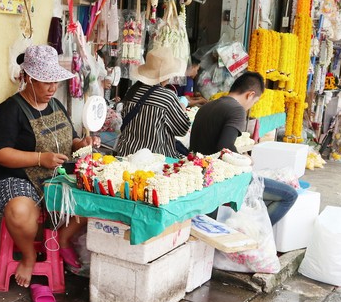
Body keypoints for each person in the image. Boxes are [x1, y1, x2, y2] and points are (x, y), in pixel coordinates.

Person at [0, 45, 97, 289]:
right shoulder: (9, 110)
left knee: (100, 197)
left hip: (54, 177)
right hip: (15, 178)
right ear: (27, 78)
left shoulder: (57, 107)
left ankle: (63, 239)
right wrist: (40, 159)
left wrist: (83, 143)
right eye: (45, 81)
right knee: (19, 211)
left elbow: (71, 140)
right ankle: (28, 255)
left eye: (54, 81)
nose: (51, 88)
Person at [188, 71, 298, 226]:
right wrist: (245, 159)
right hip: (218, 178)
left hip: (198, 173)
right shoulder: (236, 109)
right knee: (289, 195)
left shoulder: (207, 106)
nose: (251, 106)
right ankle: (254, 235)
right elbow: (224, 148)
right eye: (255, 101)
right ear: (250, 94)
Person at [113, 47, 192, 159]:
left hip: (126, 154)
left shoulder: (132, 91)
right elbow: (182, 129)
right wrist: (182, 106)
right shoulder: (167, 97)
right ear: (167, 75)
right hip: (154, 159)